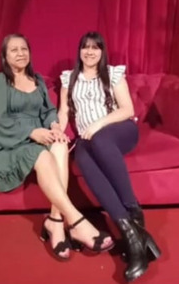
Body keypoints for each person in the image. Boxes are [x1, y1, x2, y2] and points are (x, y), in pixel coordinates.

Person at [0, 33, 114, 261]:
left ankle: (55, 220)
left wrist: (53, 125)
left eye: (24, 49)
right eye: (14, 50)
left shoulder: (37, 80)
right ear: (4, 56)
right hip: (9, 140)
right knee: (42, 156)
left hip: (39, 135)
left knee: (60, 145)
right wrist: (32, 132)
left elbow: (49, 110)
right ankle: (77, 222)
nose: (20, 53)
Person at [57, 31, 161, 282]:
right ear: (79, 51)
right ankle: (133, 235)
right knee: (81, 156)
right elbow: (63, 112)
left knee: (100, 140)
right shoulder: (69, 78)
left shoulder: (112, 74)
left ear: (102, 52)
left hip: (119, 130)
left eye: (96, 48)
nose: (90, 52)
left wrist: (98, 125)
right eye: (85, 47)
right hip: (87, 139)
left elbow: (127, 109)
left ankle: (133, 210)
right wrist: (57, 131)